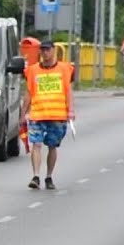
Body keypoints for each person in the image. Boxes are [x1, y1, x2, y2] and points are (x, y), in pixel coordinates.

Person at [23, 39, 74, 190]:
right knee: (36, 144)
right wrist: (23, 113)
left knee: (52, 146)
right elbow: (28, 93)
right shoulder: (32, 70)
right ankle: (36, 176)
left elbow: (68, 91)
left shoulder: (65, 69)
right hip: (38, 113)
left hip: (57, 115)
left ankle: (48, 176)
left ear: (53, 51)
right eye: (42, 50)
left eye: (47, 50)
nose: (45, 53)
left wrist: (70, 110)